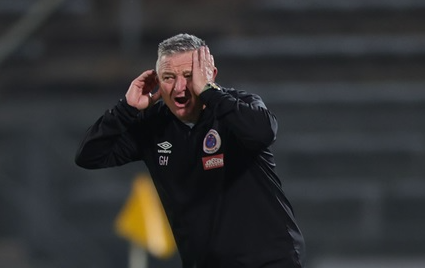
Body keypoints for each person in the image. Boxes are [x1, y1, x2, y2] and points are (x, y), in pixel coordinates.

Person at [75, 33, 305, 268]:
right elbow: (89, 156)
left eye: (188, 76)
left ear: (209, 75)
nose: (179, 87)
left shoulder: (238, 107)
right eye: (168, 77)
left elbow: (263, 133)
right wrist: (126, 109)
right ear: (157, 81)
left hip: (269, 262)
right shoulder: (153, 125)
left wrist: (210, 92)